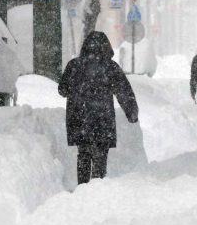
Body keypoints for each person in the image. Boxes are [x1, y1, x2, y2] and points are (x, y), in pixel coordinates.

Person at [58, 31, 139, 185]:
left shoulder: (74, 65)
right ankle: (97, 186)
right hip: (102, 119)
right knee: (100, 155)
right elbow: (123, 91)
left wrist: (77, 90)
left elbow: (62, 90)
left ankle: (82, 187)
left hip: (79, 119)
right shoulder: (110, 67)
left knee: (83, 154)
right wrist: (132, 112)